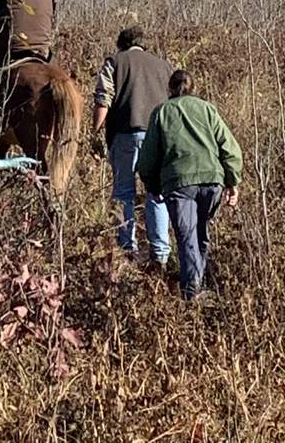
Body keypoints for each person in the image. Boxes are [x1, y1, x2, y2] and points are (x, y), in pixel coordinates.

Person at [137, 69, 243, 300]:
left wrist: (152, 186)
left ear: (170, 89)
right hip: (212, 181)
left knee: (187, 237)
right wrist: (232, 181)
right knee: (200, 233)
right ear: (194, 88)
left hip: (178, 183)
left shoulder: (162, 112)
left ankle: (191, 291)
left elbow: (147, 158)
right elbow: (230, 147)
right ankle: (198, 282)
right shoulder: (207, 109)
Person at [93, 25, 173, 266]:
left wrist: (95, 132)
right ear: (143, 43)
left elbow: (103, 98)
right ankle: (160, 253)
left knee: (124, 193)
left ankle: (126, 249)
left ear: (121, 44)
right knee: (156, 194)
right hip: (158, 138)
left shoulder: (115, 62)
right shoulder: (164, 66)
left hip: (125, 135)